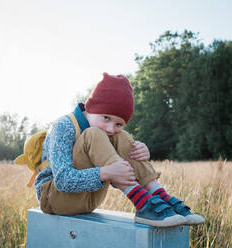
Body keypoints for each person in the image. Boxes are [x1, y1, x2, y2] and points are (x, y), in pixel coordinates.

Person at [34, 72, 204, 227]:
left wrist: (139, 152)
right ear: (90, 107)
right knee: (94, 133)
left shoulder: (109, 131)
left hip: (89, 199)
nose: (110, 128)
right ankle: (142, 203)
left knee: (122, 136)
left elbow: (115, 140)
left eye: (118, 123)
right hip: (55, 199)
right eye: (106, 117)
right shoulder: (64, 126)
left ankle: (161, 198)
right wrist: (105, 173)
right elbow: (63, 181)